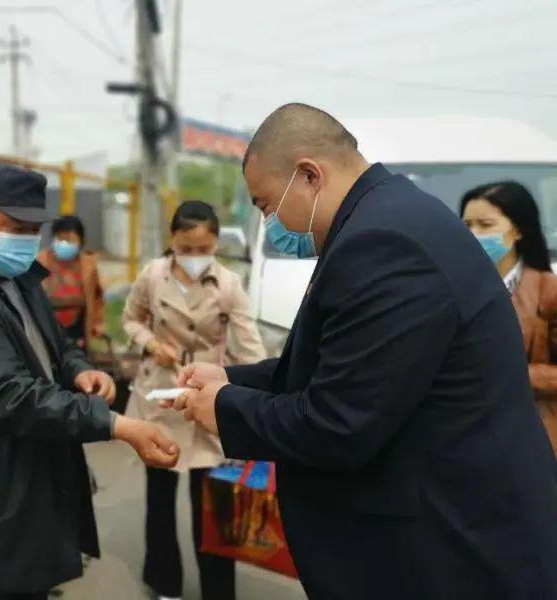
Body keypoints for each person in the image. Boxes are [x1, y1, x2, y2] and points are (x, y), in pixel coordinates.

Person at [166, 103, 557, 598]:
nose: (269, 221)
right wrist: (232, 378)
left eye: (265, 205)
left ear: (308, 175)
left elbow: (337, 424)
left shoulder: (383, 243)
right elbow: (347, 366)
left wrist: (222, 406)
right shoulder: (390, 216)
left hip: (448, 554)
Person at [0, 162, 179, 600]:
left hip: (27, 482)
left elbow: (52, 345)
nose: (28, 239)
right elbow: (9, 395)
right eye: (16, 226)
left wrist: (77, 369)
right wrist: (117, 425)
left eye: (35, 229)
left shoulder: (19, 277)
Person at [123, 200, 266, 600]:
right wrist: (152, 342)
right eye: (186, 249)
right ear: (173, 241)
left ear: (216, 243)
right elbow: (130, 319)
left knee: (214, 506)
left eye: (203, 250)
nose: (194, 258)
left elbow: (251, 347)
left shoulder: (228, 284)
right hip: (159, 397)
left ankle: (217, 591)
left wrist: (250, 396)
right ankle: (164, 584)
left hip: (206, 399)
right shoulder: (152, 276)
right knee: (160, 499)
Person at [462, 181, 557, 456]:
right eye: (467, 225)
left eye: (485, 224)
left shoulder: (548, 291)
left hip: (532, 438)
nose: (474, 234)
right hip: (466, 437)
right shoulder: (450, 286)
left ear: (517, 230)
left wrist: (512, 374)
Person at [37, 215, 105, 348]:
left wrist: (97, 323)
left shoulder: (88, 266)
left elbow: (97, 297)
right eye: (61, 238)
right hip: (46, 328)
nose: (64, 243)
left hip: (77, 329)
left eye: (69, 239)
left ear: (80, 240)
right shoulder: (41, 261)